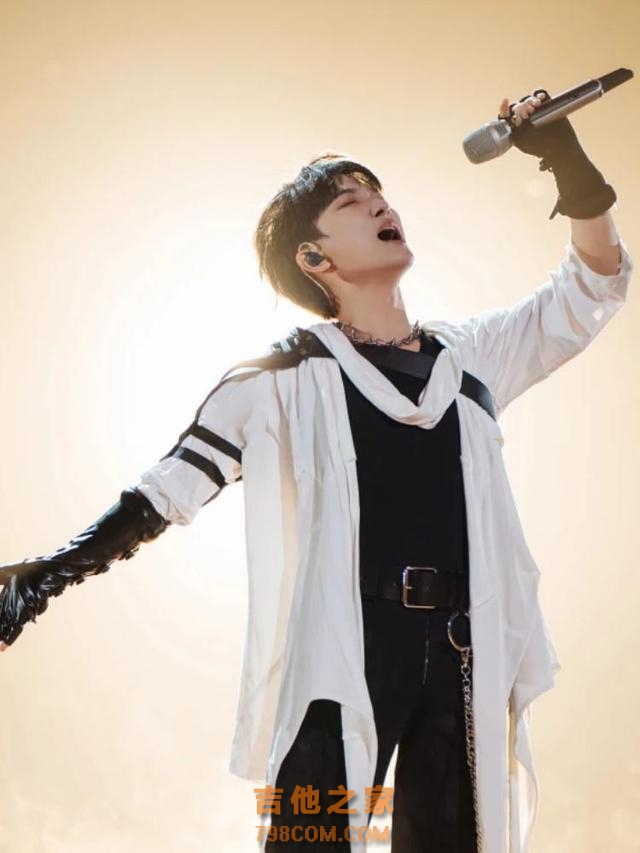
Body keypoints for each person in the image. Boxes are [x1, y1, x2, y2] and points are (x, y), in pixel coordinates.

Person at [0, 89, 633, 853]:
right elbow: (165, 492)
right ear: (314, 257)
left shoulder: (467, 360)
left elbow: (593, 284)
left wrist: (565, 158)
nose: (379, 205)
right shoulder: (281, 380)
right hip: (345, 654)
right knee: (307, 841)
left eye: (379, 194)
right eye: (350, 202)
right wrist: (42, 578)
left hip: (460, 657)